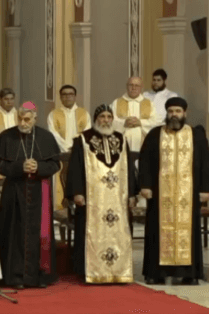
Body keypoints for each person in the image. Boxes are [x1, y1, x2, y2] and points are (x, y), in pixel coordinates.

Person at [138, 97, 209, 285]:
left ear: (185, 113)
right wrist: (145, 186)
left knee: (189, 232)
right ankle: (156, 273)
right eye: (171, 111)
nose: (174, 115)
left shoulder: (196, 135)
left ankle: (189, 274)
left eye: (178, 111)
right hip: (160, 195)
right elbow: (145, 161)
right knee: (156, 232)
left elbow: (206, 163)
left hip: (189, 195)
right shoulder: (155, 135)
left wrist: (206, 189)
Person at [0, 101, 60, 289]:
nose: (23, 122)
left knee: (39, 233)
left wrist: (39, 167)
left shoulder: (46, 137)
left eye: (27, 119)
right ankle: (14, 277)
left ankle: (38, 276)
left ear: (35, 118)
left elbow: (55, 164)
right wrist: (19, 167)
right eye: (20, 118)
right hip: (14, 191)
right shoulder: (6, 137)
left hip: (39, 191)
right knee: (13, 232)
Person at [66, 104, 137, 283]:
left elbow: (129, 169)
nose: (105, 120)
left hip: (117, 200)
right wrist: (77, 193)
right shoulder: (83, 139)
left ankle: (119, 271)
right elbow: (75, 168)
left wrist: (132, 194)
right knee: (88, 231)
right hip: (92, 199)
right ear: (96, 119)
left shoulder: (121, 139)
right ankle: (89, 270)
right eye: (102, 117)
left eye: (108, 117)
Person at [47, 84, 91, 211]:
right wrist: (68, 148)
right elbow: (53, 134)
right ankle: (59, 210)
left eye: (71, 94)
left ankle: (79, 208)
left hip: (80, 154)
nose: (68, 97)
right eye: (64, 94)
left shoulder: (84, 113)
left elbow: (86, 133)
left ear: (75, 96)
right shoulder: (53, 114)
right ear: (60, 97)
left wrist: (76, 148)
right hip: (61, 154)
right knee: (60, 182)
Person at [111, 76, 161, 174]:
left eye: (137, 85)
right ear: (127, 86)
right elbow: (109, 121)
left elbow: (156, 122)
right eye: (131, 85)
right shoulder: (117, 103)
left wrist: (141, 123)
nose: (134, 88)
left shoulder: (149, 104)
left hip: (142, 146)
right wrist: (123, 123)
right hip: (122, 146)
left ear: (141, 87)